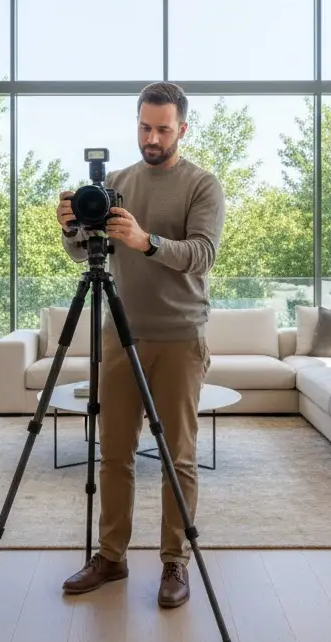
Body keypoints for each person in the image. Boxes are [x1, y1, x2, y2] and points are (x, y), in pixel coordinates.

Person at [55, 82, 225, 609]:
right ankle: (111, 556)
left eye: (163, 129)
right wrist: (69, 230)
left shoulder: (203, 185)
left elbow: (202, 254)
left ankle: (175, 561)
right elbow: (86, 255)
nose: (152, 138)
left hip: (179, 337)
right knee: (114, 454)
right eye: (145, 127)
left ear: (183, 129)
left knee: (178, 456)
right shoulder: (117, 185)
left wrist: (145, 240)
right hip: (119, 336)